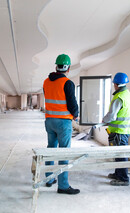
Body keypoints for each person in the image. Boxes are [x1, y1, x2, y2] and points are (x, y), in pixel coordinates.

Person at [43, 53, 80, 195]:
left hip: (49, 121)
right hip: (63, 122)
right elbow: (72, 103)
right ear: (68, 68)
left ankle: (49, 179)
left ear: (56, 67)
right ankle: (63, 185)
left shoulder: (46, 82)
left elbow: (50, 98)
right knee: (64, 152)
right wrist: (76, 115)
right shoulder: (67, 83)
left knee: (51, 149)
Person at [102, 72, 130, 186]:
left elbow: (112, 116)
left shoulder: (119, 97)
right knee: (118, 153)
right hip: (125, 130)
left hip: (119, 131)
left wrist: (104, 120)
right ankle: (118, 173)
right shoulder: (128, 95)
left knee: (121, 154)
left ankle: (123, 178)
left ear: (116, 84)